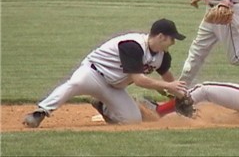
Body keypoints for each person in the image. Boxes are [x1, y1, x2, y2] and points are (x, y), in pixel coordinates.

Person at [23, 18, 188, 128]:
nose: (173, 42)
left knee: (133, 120)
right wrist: (167, 86)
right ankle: (41, 112)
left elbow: (167, 77)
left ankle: (103, 105)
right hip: (93, 74)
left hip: (115, 87)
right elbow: (138, 80)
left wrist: (177, 94)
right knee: (74, 84)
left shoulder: (162, 55)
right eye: (172, 39)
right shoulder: (133, 45)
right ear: (160, 37)